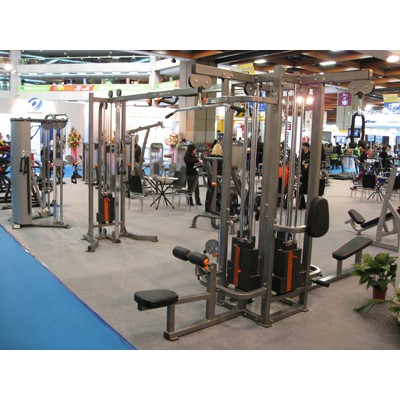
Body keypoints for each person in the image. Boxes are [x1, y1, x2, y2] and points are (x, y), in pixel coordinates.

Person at [205, 143, 223, 212]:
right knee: (217, 191)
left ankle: (207, 207)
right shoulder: (220, 159)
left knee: (210, 190)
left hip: (210, 176)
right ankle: (216, 207)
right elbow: (221, 169)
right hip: (217, 177)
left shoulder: (208, 157)